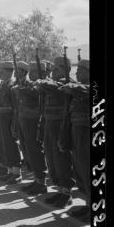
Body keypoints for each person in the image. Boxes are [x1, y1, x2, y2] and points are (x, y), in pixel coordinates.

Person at [34, 56, 74, 207]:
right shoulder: (52, 84)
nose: (54, 71)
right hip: (49, 125)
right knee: (51, 158)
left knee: (62, 159)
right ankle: (59, 190)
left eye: (58, 68)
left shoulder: (68, 83)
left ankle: (67, 193)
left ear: (68, 69)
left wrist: (42, 82)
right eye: (53, 68)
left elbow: (53, 86)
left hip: (61, 127)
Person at [59, 58, 90, 220]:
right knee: (79, 170)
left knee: (87, 169)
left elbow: (85, 90)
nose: (77, 74)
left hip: (86, 135)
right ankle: (87, 205)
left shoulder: (85, 88)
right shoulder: (77, 90)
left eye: (80, 71)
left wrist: (72, 86)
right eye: (76, 72)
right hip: (75, 133)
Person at [15, 60, 48, 196]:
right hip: (26, 121)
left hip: (35, 122)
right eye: (31, 71)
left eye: (35, 71)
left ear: (43, 72)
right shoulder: (29, 84)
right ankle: (37, 180)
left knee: (35, 151)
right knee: (28, 150)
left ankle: (42, 183)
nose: (32, 74)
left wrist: (21, 88)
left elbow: (34, 92)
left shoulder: (43, 85)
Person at [0, 61, 22, 183]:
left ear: (9, 72)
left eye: (1, 72)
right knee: (5, 145)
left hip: (10, 119)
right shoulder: (2, 85)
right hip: (1, 118)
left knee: (12, 145)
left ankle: (17, 173)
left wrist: (14, 122)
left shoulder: (12, 85)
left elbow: (16, 106)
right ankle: (10, 171)